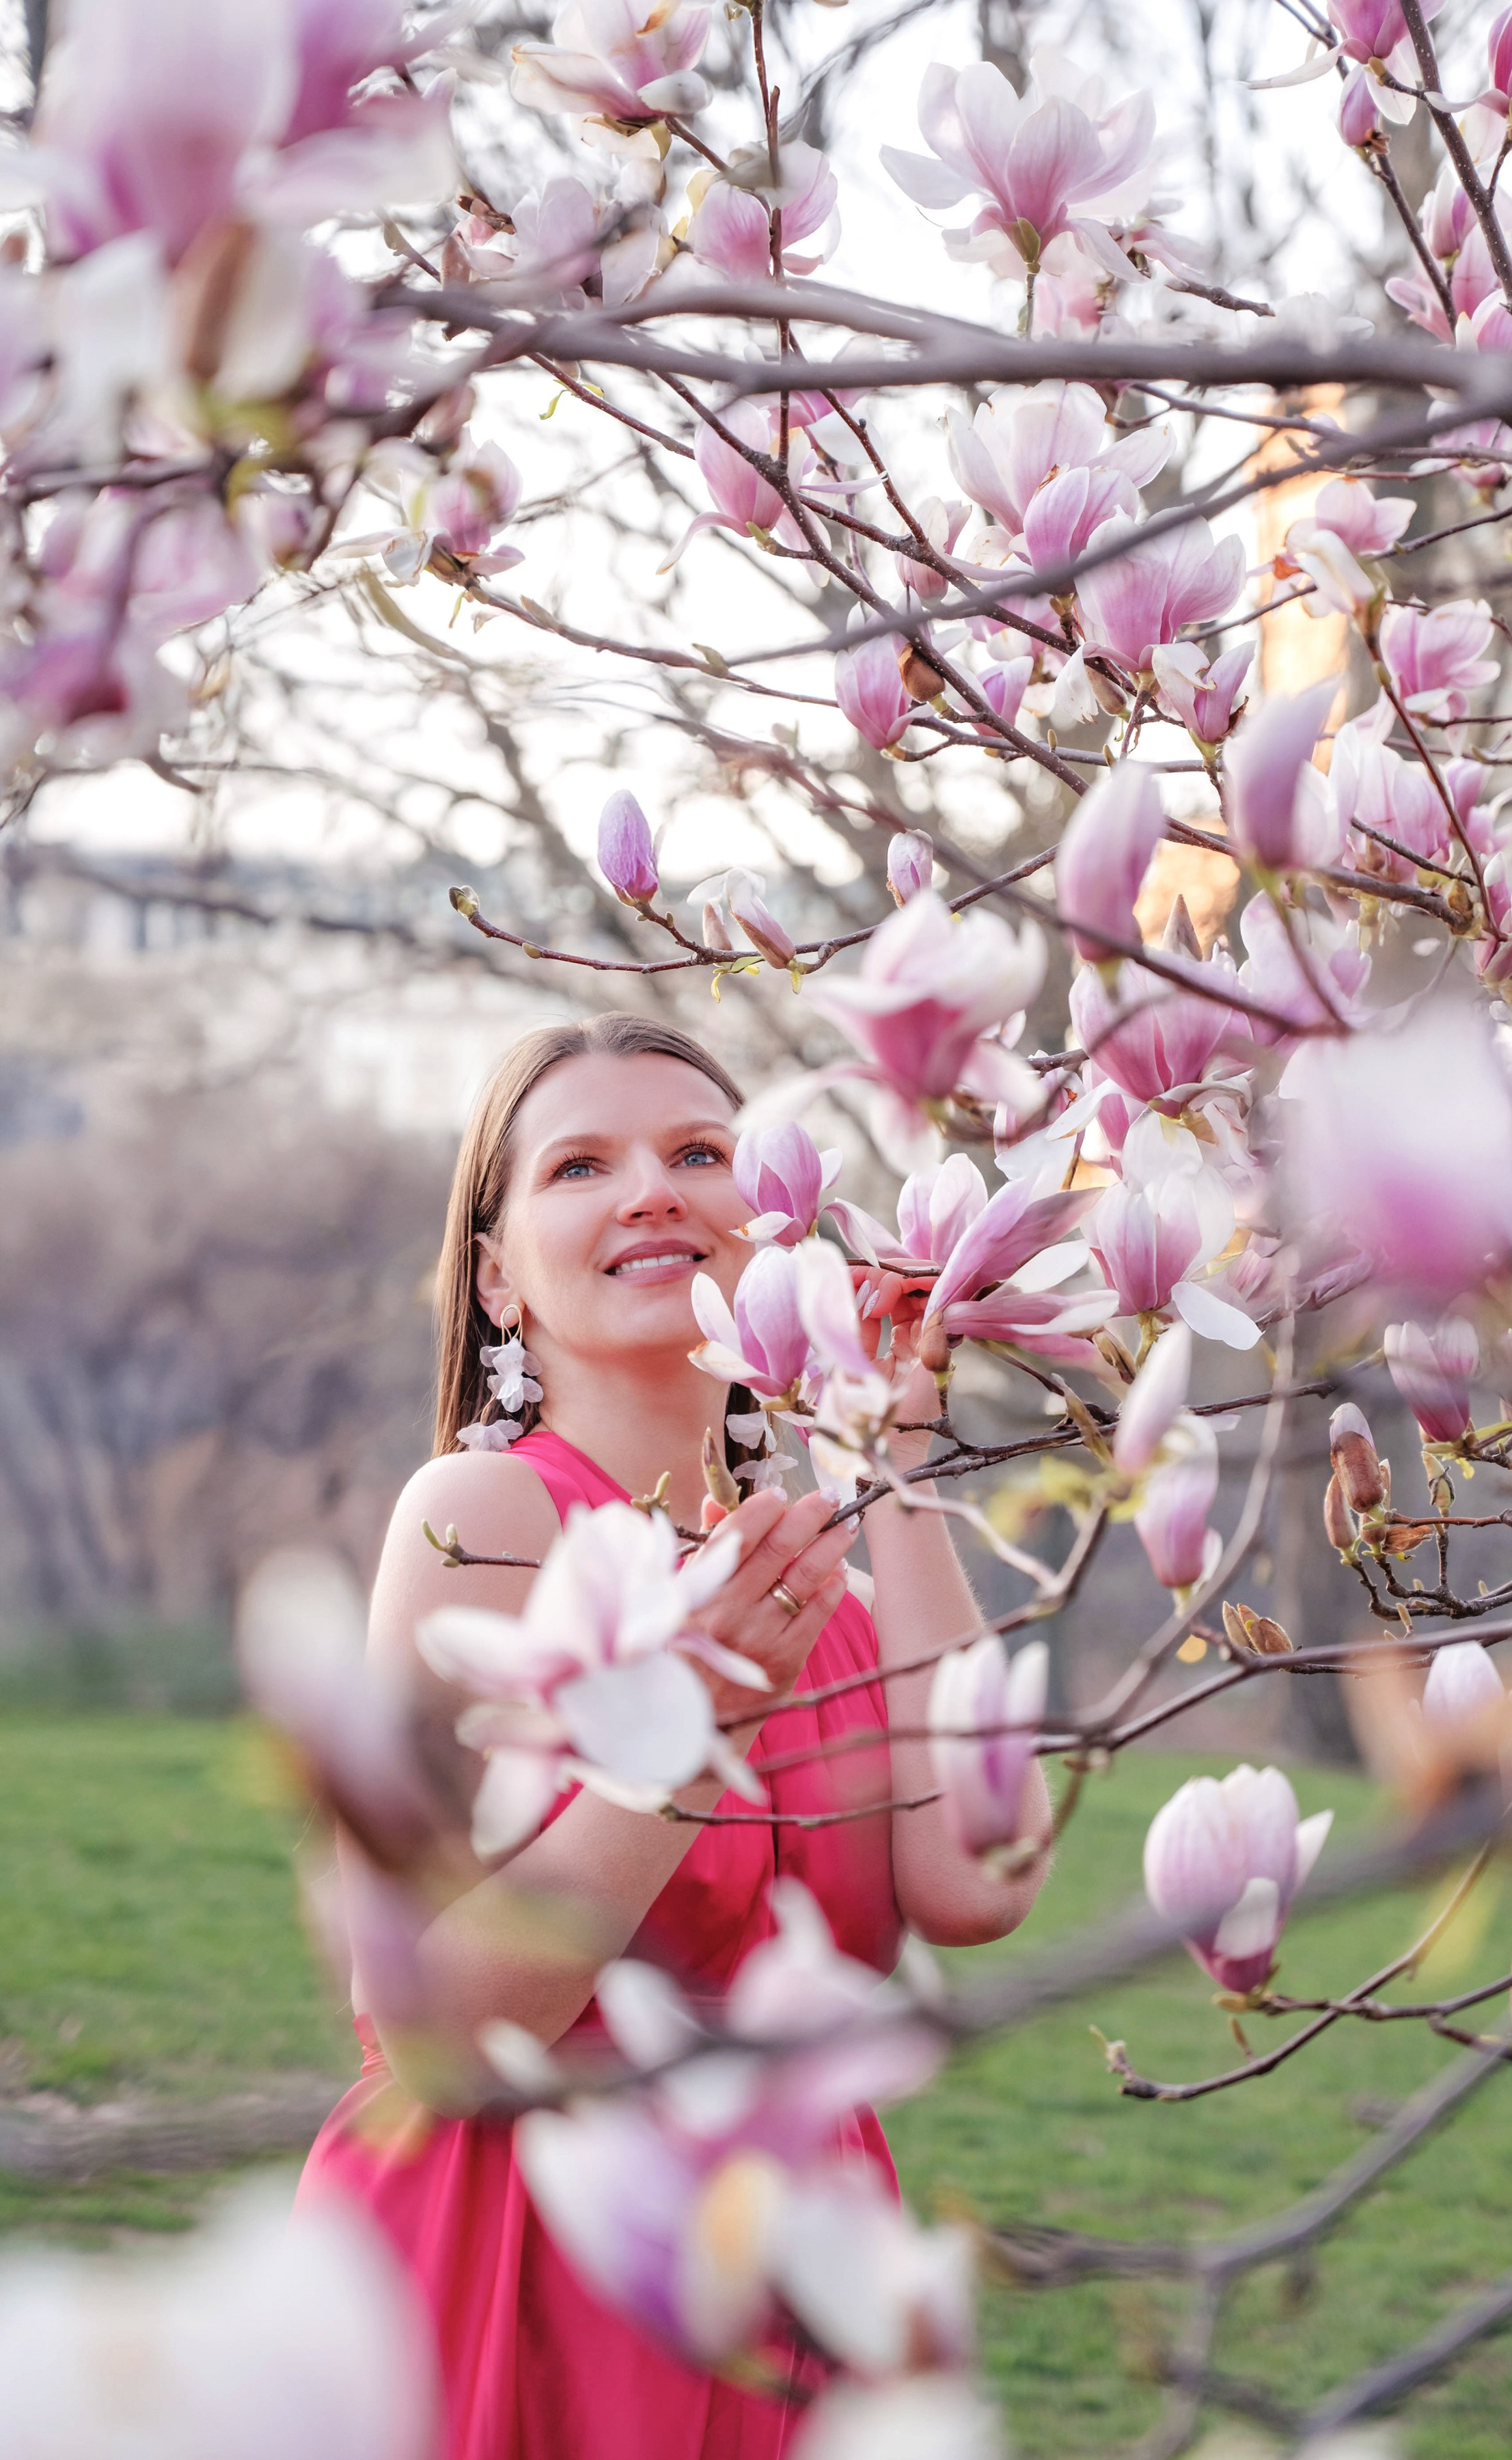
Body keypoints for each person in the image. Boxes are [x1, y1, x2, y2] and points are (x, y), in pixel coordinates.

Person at [298, 1012, 1051, 2459]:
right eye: (580, 1163)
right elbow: (429, 2020)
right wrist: (690, 1715)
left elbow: (974, 1882)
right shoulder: (488, 1517)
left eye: (699, 1152)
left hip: (791, 2245)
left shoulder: (815, 1553)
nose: (652, 1188)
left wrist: (887, 1450)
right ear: (496, 1277)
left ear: (772, 1225)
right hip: (529, 2249)